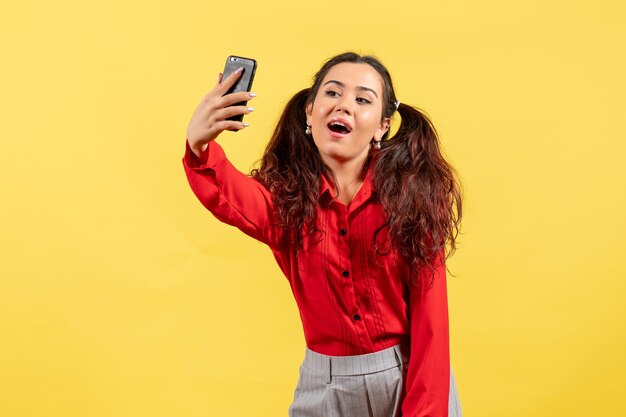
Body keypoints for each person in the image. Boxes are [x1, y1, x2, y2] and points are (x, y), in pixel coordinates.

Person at [183, 52, 463, 417]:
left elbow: (431, 325)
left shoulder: (413, 197)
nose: (344, 105)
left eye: (362, 99)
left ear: (382, 126)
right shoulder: (285, 204)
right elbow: (230, 196)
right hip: (325, 387)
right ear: (309, 112)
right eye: (333, 93)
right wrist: (199, 145)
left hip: (409, 380)